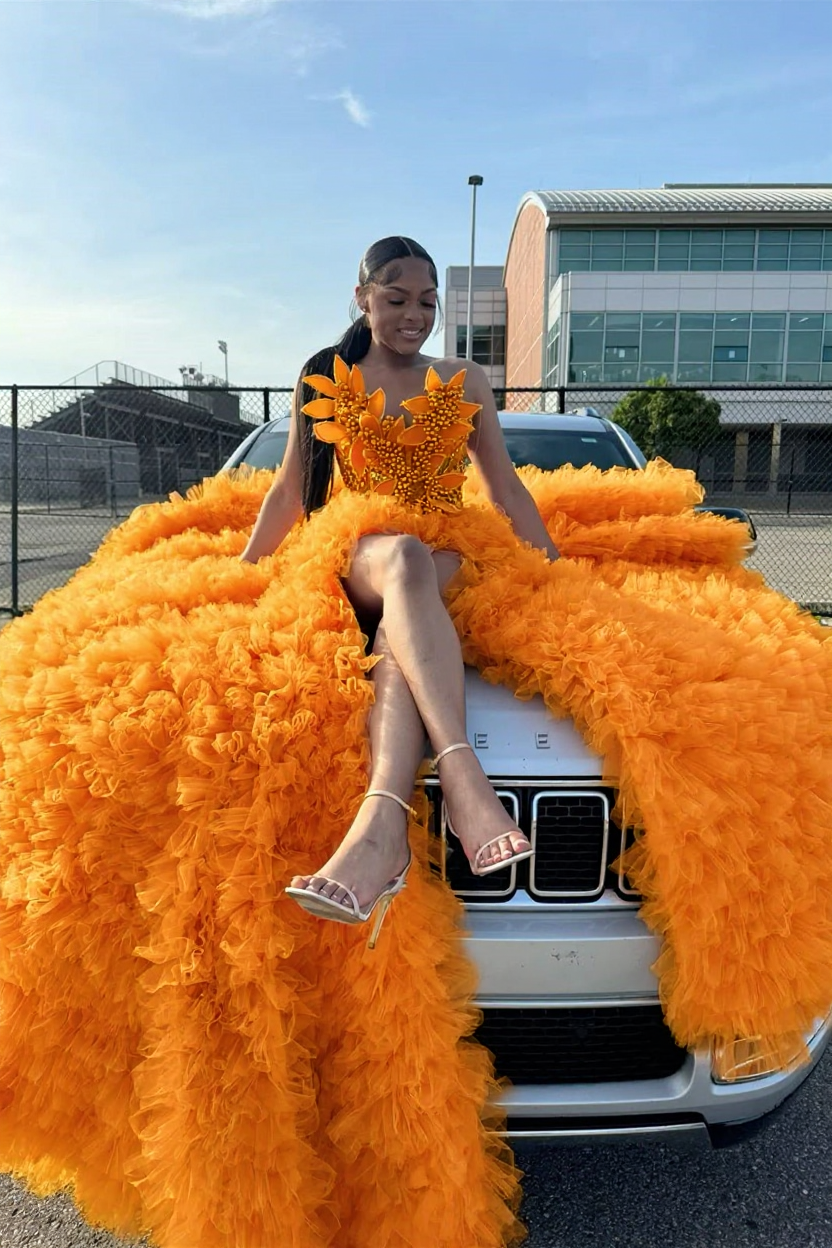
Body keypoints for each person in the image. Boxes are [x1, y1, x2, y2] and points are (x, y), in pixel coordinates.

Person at [241, 235, 559, 945]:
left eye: (427, 302)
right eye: (396, 299)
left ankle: (381, 827)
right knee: (403, 559)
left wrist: (556, 569)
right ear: (362, 299)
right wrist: (243, 573)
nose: (415, 316)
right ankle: (463, 775)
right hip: (362, 549)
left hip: (448, 548)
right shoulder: (325, 374)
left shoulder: (464, 379)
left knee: (402, 614)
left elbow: (505, 488)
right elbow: (290, 489)